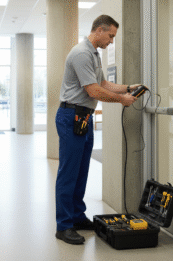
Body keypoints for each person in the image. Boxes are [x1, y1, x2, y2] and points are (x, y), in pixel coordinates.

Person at [55, 15, 141, 245]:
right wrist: (122, 100)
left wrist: (129, 88)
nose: (111, 41)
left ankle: (76, 216)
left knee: (81, 171)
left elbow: (103, 84)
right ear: (99, 30)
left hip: (83, 117)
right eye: (111, 36)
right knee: (68, 172)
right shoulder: (82, 53)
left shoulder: (94, 54)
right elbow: (94, 91)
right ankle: (63, 226)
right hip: (71, 115)